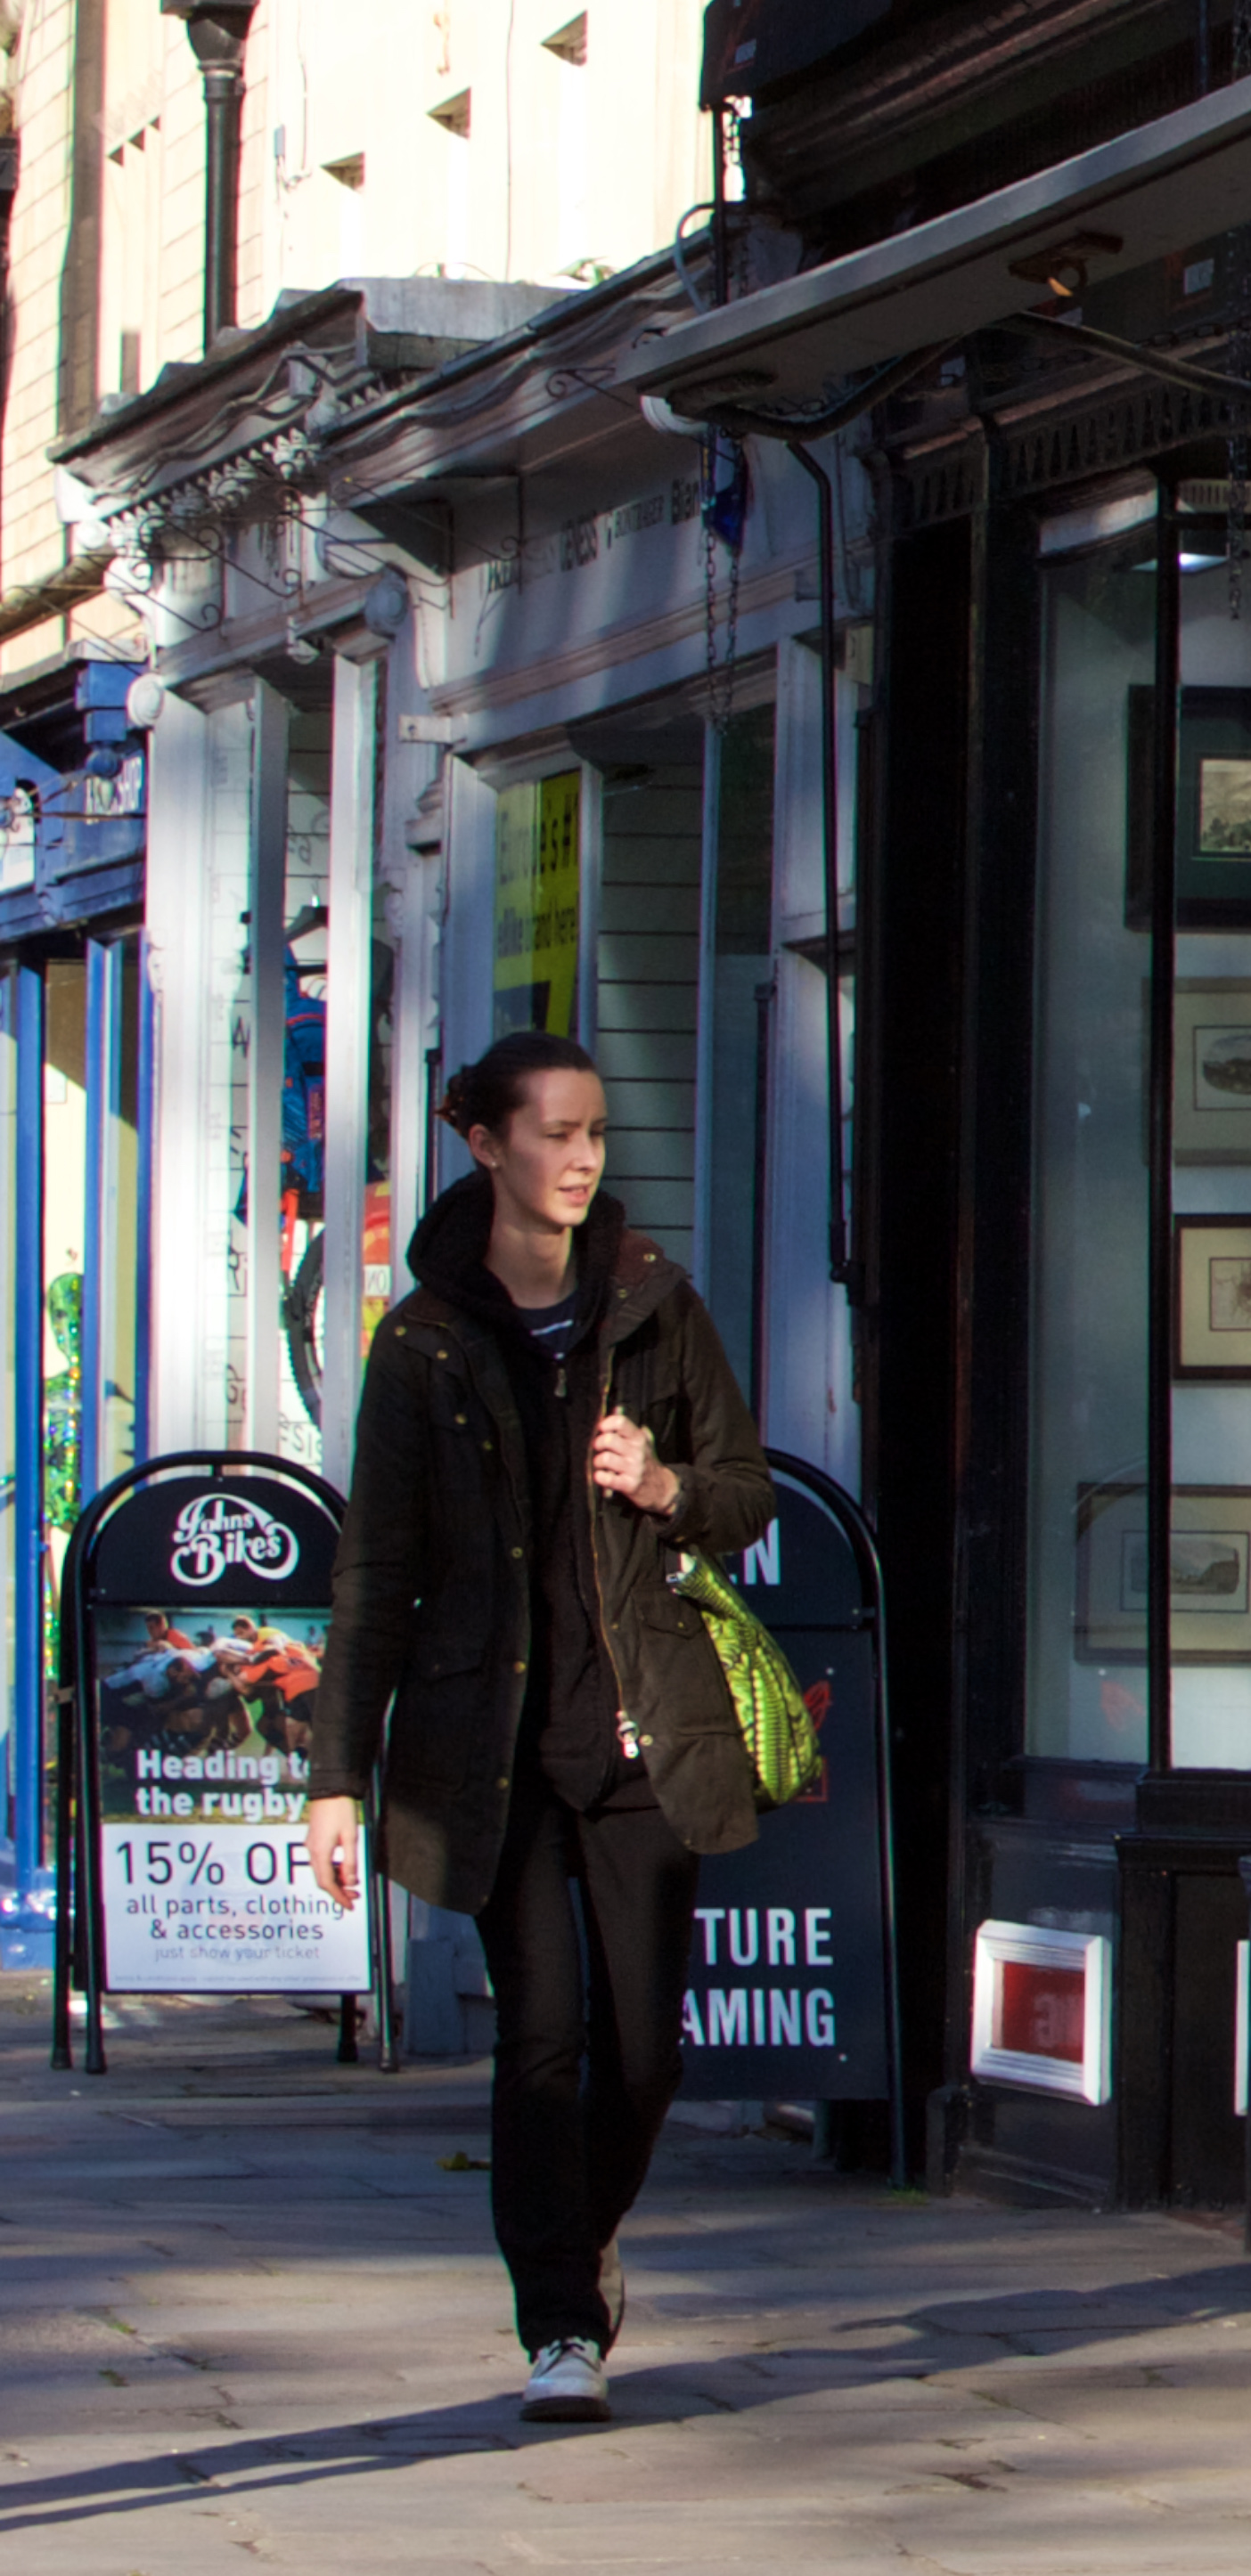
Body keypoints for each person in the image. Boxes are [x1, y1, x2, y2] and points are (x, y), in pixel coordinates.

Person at [302, 1035, 777, 2425]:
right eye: (556, 1133)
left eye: (597, 1137)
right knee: (543, 2039)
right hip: (489, 1743)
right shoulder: (426, 1342)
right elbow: (373, 1572)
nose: (581, 1161)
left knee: (645, 2054)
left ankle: (582, 2233)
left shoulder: (653, 1303)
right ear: (485, 1145)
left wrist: (667, 1482)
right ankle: (560, 2324)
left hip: (644, 1734)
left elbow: (748, 1494)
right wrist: (339, 1775)